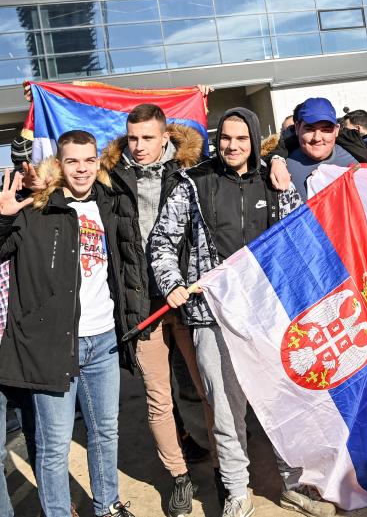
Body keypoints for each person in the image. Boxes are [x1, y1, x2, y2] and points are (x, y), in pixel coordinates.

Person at [148, 109, 327, 517]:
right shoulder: (194, 183)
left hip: (268, 316)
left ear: (254, 139)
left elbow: (299, 235)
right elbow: (161, 241)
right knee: (226, 408)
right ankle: (236, 490)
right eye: (225, 138)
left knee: (283, 404)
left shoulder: (273, 178)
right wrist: (172, 284)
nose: (232, 146)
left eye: (241, 139)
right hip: (213, 316)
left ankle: (295, 484)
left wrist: (281, 178)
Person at [0, 130, 145, 517]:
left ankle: (107, 505)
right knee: (54, 445)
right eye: (72, 161)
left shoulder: (110, 202)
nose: (81, 169)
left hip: (104, 339)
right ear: (59, 165)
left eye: (88, 160)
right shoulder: (36, 208)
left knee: (105, 432)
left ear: (98, 162)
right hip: (54, 344)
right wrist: (3, 215)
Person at [100, 104, 214, 517]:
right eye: (133, 138)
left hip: (188, 296)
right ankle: (179, 477)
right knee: (157, 397)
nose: (139, 146)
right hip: (141, 302)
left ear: (165, 136)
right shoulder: (109, 178)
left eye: (148, 137)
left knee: (207, 388)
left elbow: (242, 164)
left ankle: (221, 468)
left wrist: (274, 158)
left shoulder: (192, 170)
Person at [268, 98, 358, 200]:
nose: (317, 138)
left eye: (326, 130)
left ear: (337, 130)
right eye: (309, 129)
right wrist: (275, 160)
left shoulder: (357, 156)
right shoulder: (279, 167)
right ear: (297, 128)